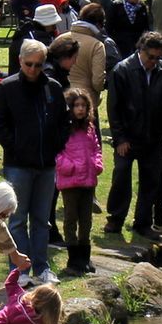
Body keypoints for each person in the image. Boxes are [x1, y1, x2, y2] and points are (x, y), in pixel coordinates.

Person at [0, 38, 69, 283]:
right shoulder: (7, 88)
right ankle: (20, 270)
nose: (33, 69)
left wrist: (55, 147)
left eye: (38, 64)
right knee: (16, 219)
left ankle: (42, 267)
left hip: (46, 165)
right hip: (18, 165)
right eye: (28, 64)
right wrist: (17, 147)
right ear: (20, 62)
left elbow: (63, 124)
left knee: (42, 219)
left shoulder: (53, 88)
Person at [104, 31, 162, 237]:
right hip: (128, 136)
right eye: (151, 57)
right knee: (121, 178)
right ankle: (115, 219)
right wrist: (120, 138)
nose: (154, 62)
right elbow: (114, 108)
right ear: (141, 50)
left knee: (151, 181)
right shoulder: (123, 70)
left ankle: (143, 222)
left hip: (154, 137)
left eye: (158, 58)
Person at [55, 88, 104, 276]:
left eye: (84, 105)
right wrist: (69, 167)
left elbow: (96, 148)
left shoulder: (89, 128)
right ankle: (73, 258)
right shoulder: (64, 128)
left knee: (86, 220)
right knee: (70, 219)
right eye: (76, 106)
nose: (80, 109)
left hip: (88, 180)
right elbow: (57, 152)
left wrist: (96, 164)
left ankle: (85, 257)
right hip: (70, 180)